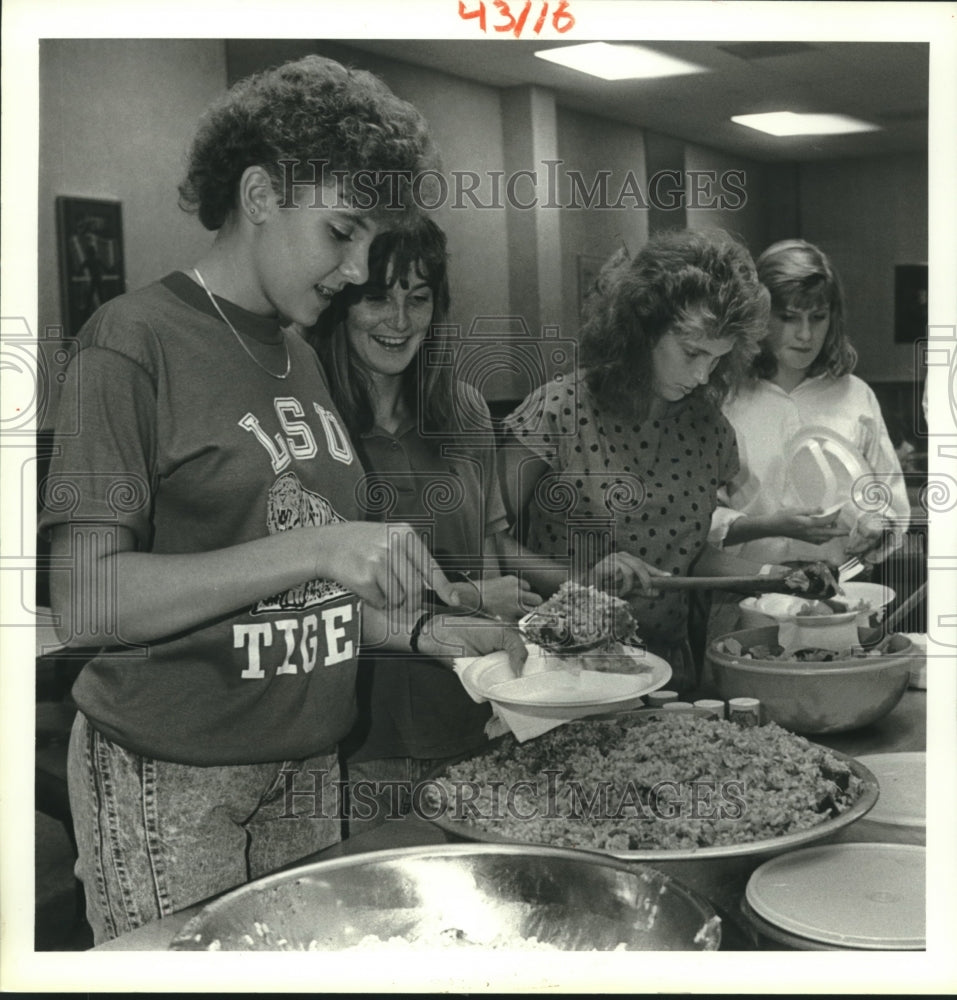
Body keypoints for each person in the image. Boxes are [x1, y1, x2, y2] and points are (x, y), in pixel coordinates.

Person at [38, 55, 523, 944]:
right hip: (174, 771)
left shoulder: (296, 354)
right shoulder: (132, 339)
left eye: (371, 240)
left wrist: (424, 631)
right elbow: (85, 599)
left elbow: (286, 599)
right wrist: (316, 548)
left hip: (307, 761)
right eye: (341, 232)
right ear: (260, 193)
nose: (355, 269)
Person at [306, 218, 541, 832]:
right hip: (354, 745)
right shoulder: (308, 419)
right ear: (342, 301)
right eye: (378, 297)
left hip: (469, 725)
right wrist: (465, 596)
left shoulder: (464, 410)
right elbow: (300, 597)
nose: (400, 321)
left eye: (418, 298)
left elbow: (489, 565)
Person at [499, 229, 773, 691]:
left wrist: (774, 578)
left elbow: (685, 557)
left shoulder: (710, 432)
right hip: (563, 670)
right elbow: (486, 541)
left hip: (667, 669)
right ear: (642, 329)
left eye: (717, 359)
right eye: (691, 352)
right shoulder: (559, 410)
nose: (703, 374)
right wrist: (582, 581)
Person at [708, 239, 910, 582]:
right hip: (746, 592)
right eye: (788, 318)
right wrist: (766, 526)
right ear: (759, 316)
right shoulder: (725, 397)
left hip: (842, 588)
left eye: (818, 318)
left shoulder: (855, 396)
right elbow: (696, 519)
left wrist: (878, 526)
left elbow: (890, 500)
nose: (805, 334)